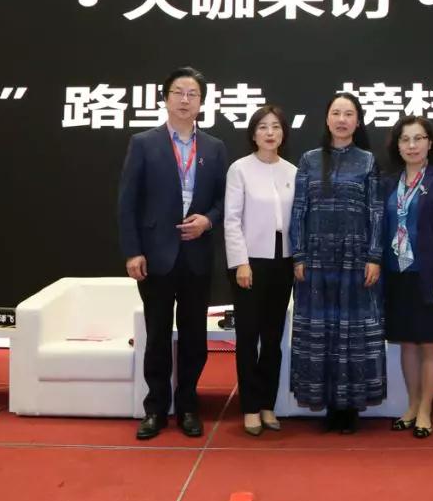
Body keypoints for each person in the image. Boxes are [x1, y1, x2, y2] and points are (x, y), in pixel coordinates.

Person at [118, 66, 227, 440]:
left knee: (195, 337)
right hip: (156, 256)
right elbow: (127, 202)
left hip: (197, 255)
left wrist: (208, 221)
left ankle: (189, 407)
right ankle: (155, 409)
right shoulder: (143, 143)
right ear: (165, 99)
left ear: (201, 102)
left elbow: (223, 200)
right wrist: (133, 251)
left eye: (193, 94)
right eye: (178, 92)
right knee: (158, 336)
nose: (185, 99)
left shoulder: (214, 147)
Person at [289, 92, 385, 434]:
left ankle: (349, 407)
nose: (342, 120)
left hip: (355, 259)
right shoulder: (309, 160)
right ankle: (326, 403)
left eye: (349, 114)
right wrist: (298, 254)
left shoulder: (368, 161)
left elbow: (376, 212)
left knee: (351, 333)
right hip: (315, 259)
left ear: (358, 122)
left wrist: (374, 256)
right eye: (336, 113)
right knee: (320, 332)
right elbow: (298, 210)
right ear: (327, 119)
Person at [382, 116, 433, 439]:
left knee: (429, 342)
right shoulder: (389, 183)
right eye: (405, 139)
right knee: (407, 343)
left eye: (418, 138)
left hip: (430, 276)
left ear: (430, 143)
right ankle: (412, 406)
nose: (412, 145)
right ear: (397, 146)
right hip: (396, 275)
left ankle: (426, 409)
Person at [223, 104, 297, 436]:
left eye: (276, 127)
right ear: (253, 134)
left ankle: (268, 403)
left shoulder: (292, 171)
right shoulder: (240, 169)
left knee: (272, 337)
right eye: (263, 127)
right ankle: (250, 407)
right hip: (250, 263)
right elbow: (231, 220)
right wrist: (240, 261)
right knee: (248, 336)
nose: (270, 132)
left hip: (283, 262)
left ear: (283, 134)